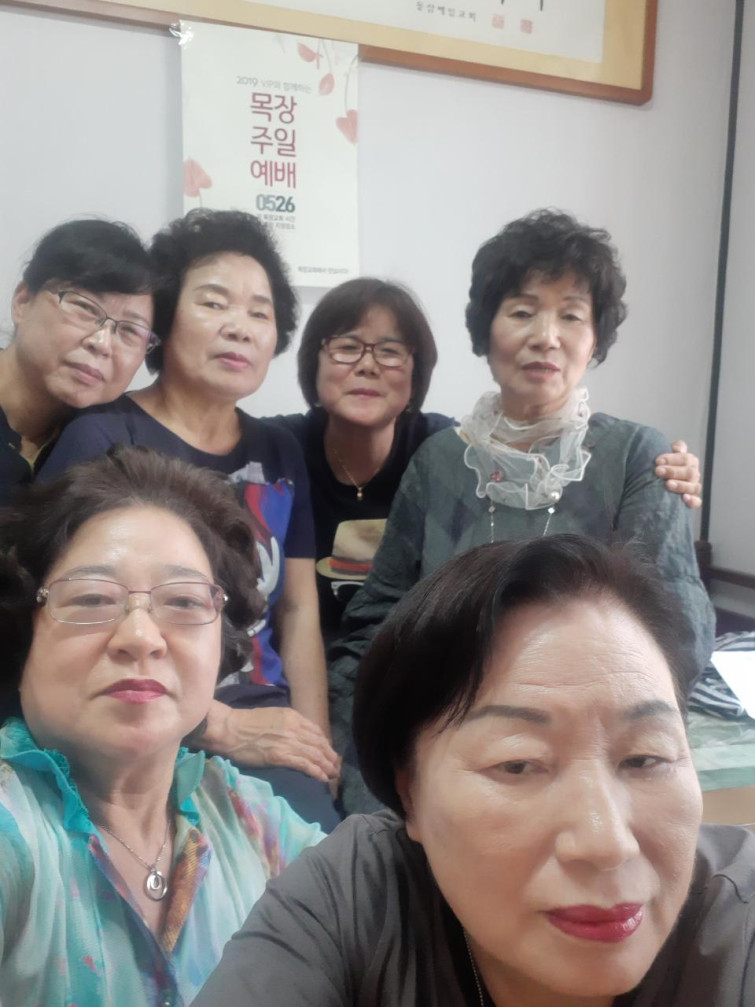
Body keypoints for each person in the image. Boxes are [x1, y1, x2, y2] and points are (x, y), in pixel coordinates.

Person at [193, 535, 755, 1007]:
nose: (607, 844)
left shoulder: (736, 924)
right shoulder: (354, 899)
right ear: (410, 794)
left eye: (645, 758)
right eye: (518, 764)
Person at [328, 210, 715, 814]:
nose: (546, 336)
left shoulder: (636, 456)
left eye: (572, 315)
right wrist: (368, 766)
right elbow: (378, 619)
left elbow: (676, 630)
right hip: (448, 734)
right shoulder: (440, 461)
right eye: (522, 311)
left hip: (590, 751)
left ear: (596, 337)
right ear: (486, 330)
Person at [38, 209, 340, 830]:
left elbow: (298, 609)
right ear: (166, 320)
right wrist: (217, 725)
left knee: (326, 859)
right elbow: (55, 611)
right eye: (214, 302)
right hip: (135, 718)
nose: (239, 327)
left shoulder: (280, 451)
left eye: (259, 312)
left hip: (264, 718)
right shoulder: (104, 436)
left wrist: (311, 742)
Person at [0, 447, 323, 1007]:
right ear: (20, 636)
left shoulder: (248, 819)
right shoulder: (14, 832)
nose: (141, 637)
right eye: (92, 598)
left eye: (184, 602)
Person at [276, 277, 704, 643]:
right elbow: (378, 616)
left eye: (389, 351)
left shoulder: (444, 450)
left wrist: (661, 471)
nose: (367, 365)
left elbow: (672, 622)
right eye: (347, 347)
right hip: (305, 661)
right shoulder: (279, 450)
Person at [0, 218, 153, 506]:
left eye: (130, 331)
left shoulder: (105, 447)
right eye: (84, 308)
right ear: (23, 301)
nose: (102, 344)